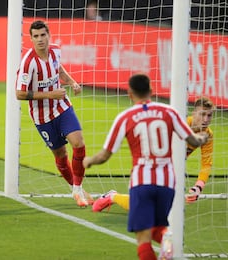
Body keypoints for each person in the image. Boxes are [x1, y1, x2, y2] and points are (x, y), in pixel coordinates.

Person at [83, 74, 208, 260]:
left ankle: (167, 239)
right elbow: (192, 139)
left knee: (143, 237)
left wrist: (89, 161)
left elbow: (105, 155)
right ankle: (166, 238)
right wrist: (203, 138)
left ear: (130, 94)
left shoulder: (125, 117)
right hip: (167, 184)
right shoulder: (169, 112)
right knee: (157, 227)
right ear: (150, 91)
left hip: (142, 182)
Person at [15, 20, 92, 207]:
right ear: (31, 38)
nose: (40, 39)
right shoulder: (28, 63)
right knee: (60, 154)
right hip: (42, 116)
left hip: (62, 107)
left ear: (48, 35)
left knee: (79, 144)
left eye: (43, 35)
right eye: (36, 36)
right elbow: (20, 93)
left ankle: (77, 188)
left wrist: (72, 82)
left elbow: (59, 70)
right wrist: (50, 93)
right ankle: (77, 189)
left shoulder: (56, 50)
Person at [92, 96, 214, 212]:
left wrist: (198, 186)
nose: (206, 119)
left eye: (209, 115)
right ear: (194, 114)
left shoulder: (208, 135)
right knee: (142, 206)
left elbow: (206, 164)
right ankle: (112, 196)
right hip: (149, 164)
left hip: (169, 170)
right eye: (202, 114)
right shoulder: (180, 123)